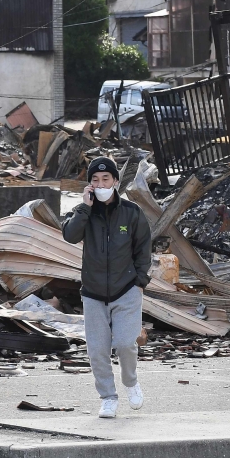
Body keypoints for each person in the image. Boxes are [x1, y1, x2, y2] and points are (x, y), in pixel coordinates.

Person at [62, 156, 152, 419]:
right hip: (93, 292)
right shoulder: (84, 212)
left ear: (115, 181)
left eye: (105, 179)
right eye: (95, 180)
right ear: (89, 184)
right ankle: (108, 398)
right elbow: (69, 236)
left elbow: (143, 248)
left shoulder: (131, 212)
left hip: (126, 290)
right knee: (98, 350)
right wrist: (85, 207)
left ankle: (131, 382)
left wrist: (139, 282)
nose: (101, 184)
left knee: (125, 343)